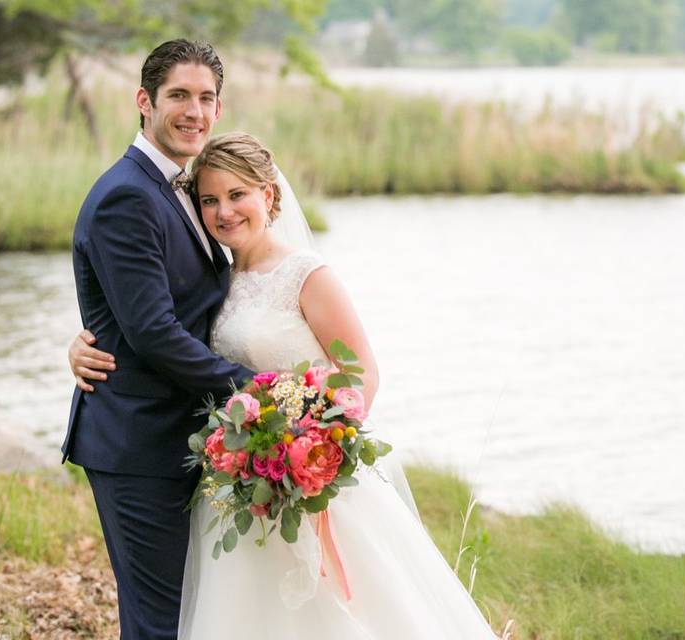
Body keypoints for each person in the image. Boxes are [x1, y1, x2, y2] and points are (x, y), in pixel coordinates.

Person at [70, 133, 501, 638]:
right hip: (238, 486)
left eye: (237, 195)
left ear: (268, 196)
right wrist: (84, 343)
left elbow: (360, 372)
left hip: (311, 484)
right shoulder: (214, 278)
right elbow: (157, 328)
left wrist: (315, 449)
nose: (224, 212)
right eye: (209, 200)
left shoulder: (306, 274)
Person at [62, 40, 254, 640]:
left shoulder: (194, 188)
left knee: (193, 614)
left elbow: (176, 307)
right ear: (145, 102)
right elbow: (152, 333)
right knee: (159, 624)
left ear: (219, 110)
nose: (194, 110)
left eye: (206, 98)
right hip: (137, 444)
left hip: (185, 438)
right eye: (179, 95)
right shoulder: (127, 195)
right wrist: (258, 389)